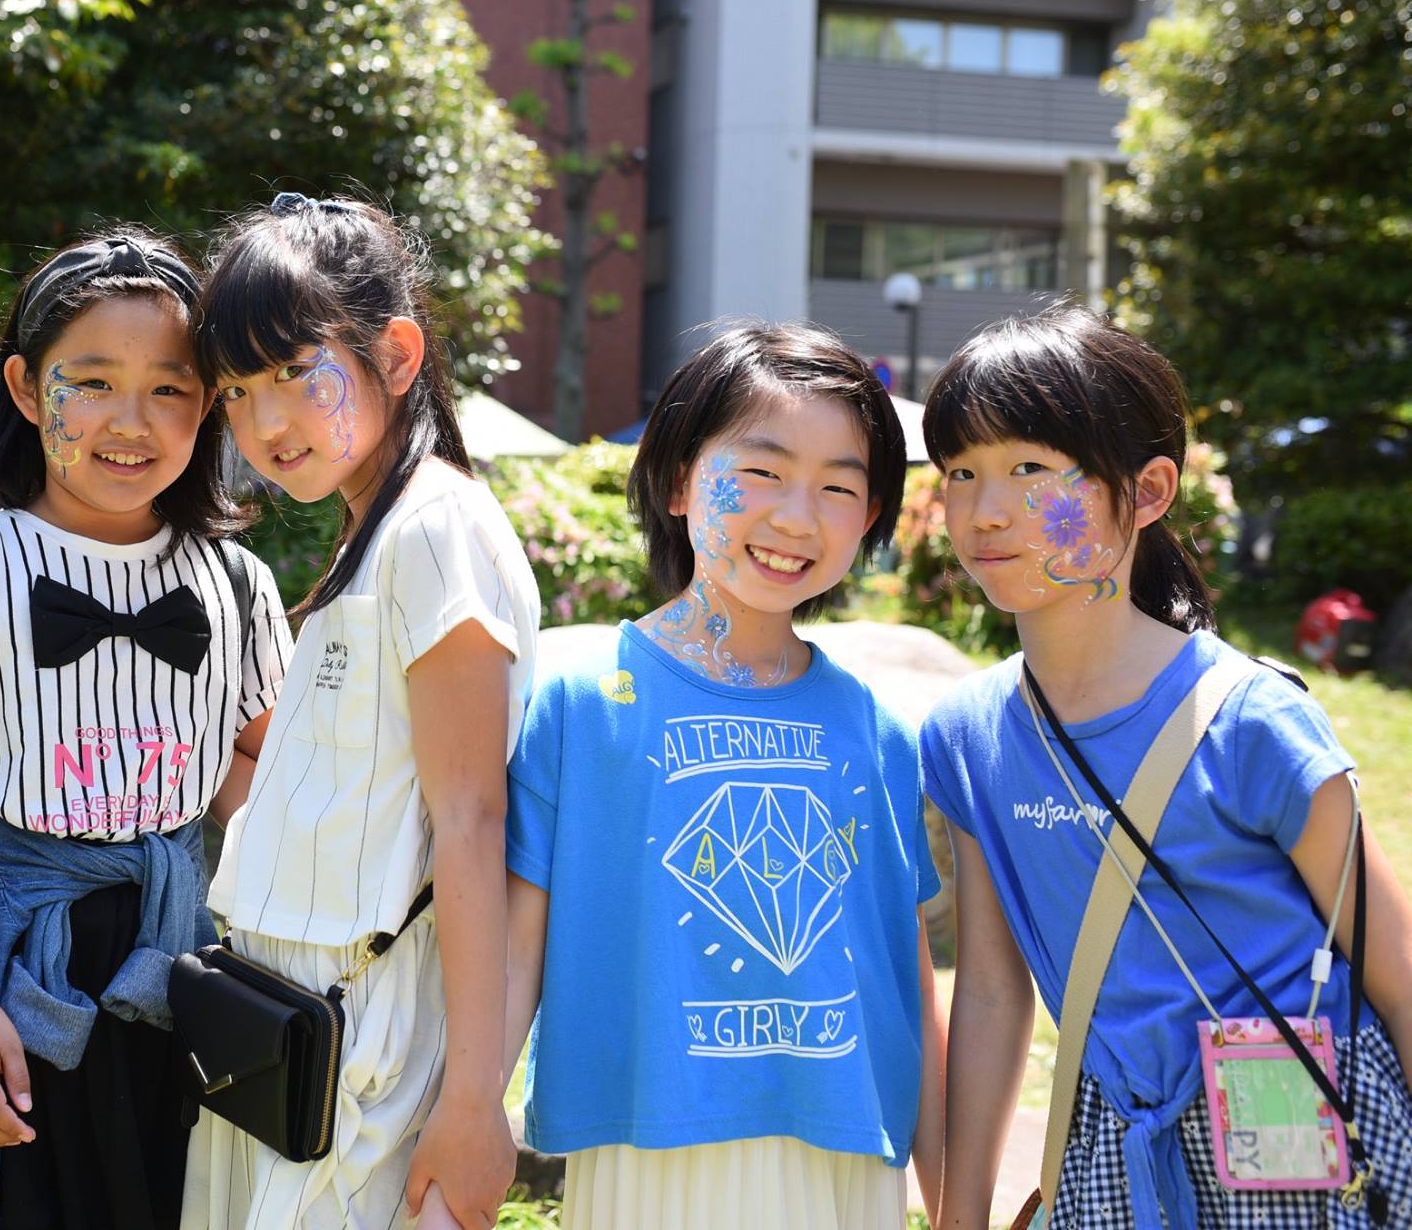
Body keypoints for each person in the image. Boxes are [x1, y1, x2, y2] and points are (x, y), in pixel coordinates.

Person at [923, 304, 1412, 1229]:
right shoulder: (965, 734)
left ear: (1147, 491)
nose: (985, 510)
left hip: (1295, 1130)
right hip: (1111, 1151)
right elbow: (989, 989)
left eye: (1030, 469)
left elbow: (1392, 961)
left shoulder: (1252, 717)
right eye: (961, 472)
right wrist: (960, 1218)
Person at [0, 228, 291, 1229]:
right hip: (0, 972)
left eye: (170, 388)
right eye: (90, 382)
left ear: (210, 403)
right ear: (23, 384)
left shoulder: (235, 583)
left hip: (173, 972)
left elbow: (258, 769)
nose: (130, 421)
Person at [499, 323, 945, 1230]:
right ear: (678, 481)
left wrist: (955, 1200)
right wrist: (469, 1111)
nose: (797, 517)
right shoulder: (580, 706)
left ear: (869, 518)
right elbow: (515, 954)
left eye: (838, 488)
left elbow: (908, 979)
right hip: (648, 1150)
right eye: (764, 471)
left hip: (846, 1162)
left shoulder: (877, 730)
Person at [179, 192, 541, 1230]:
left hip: (367, 1032)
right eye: (237, 388)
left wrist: (473, 1099)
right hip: (288, 1022)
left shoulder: (433, 528)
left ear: (396, 354)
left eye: (296, 370)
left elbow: (471, 821)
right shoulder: (373, 533)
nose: (265, 423)